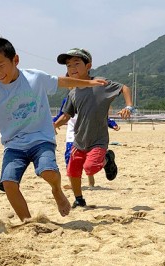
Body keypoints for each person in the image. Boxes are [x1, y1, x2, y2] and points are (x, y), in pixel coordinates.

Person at [0, 38, 108, 221]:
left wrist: (89, 83)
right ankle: (27, 222)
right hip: (14, 145)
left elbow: (62, 82)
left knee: (47, 171)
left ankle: (57, 190)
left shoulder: (35, 77)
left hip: (41, 139)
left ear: (15, 60)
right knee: (9, 183)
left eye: (1, 65)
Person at [53, 48, 133, 208]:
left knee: (90, 168)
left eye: (77, 63)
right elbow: (66, 115)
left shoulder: (100, 83)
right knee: (72, 170)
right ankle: (79, 199)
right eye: (69, 65)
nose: (72, 68)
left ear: (88, 65)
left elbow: (124, 87)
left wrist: (129, 106)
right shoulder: (73, 92)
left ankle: (108, 158)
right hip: (79, 140)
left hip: (98, 140)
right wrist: (54, 124)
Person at [53, 97, 120, 188]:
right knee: (70, 156)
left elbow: (100, 115)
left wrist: (112, 124)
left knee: (87, 158)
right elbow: (62, 115)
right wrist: (53, 123)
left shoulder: (92, 98)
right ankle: (72, 183)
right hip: (72, 134)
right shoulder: (68, 99)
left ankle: (93, 179)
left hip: (89, 133)